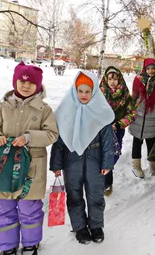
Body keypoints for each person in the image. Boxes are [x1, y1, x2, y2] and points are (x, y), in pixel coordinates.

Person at [0, 62, 58, 255]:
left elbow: (52, 134)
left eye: (31, 83)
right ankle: (7, 246)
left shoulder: (44, 110)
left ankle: (30, 244)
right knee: (3, 207)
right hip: (4, 166)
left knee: (29, 208)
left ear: (38, 85)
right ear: (15, 82)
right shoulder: (3, 107)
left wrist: (29, 137)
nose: (25, 86)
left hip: (31, 168)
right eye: (21, 81)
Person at [50, 71, 115, 244]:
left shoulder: (101, 112)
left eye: (88, 91)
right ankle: (79, 227)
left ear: (94, 92)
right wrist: (56, 165)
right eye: (81, 91)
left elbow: (108, 142)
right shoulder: (66, 111)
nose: (84, 95)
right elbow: (59, 141)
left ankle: (96, 226)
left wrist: (107, 162)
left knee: (95, 195)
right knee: (74, 196)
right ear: (75, 90)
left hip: (95, 161)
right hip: (72, 161)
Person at [129, 58, 155, 178]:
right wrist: (130, 112)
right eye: (148, 68)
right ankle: (136, 166)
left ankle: (152, 165)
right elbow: (134, 97)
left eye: (153, 68)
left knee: (151, 143)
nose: (151, 71)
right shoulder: (138, 79)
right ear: (144, 68)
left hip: (153, 117)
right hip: (138, 116)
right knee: (136, 143)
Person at [99, 66, 136, 196]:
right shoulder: (99, 94)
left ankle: (106, 178)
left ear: (119, 79)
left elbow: (131, 113)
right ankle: (104, 182)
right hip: (101, 129)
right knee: (101, 155)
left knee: (113, 154)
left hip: (117, 129)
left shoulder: (125, 95)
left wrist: (119, 124)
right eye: (110, 79)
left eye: (115, 79)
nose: (112, 81)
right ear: (106, 80)